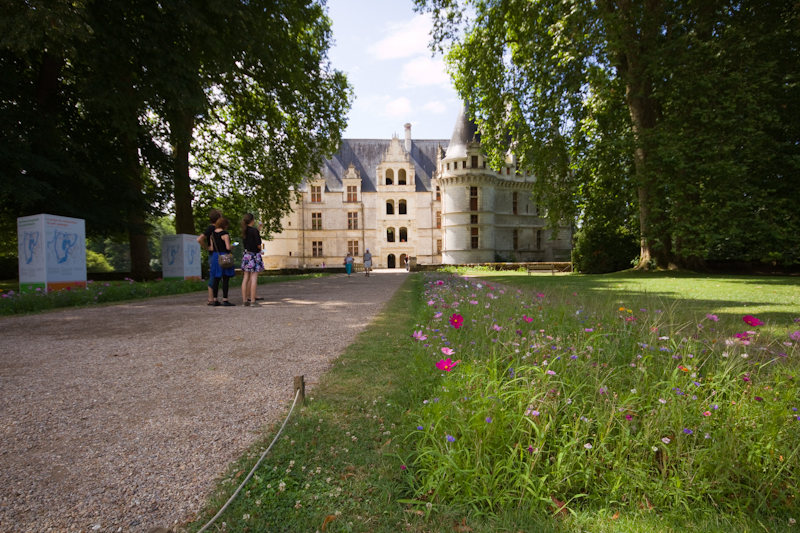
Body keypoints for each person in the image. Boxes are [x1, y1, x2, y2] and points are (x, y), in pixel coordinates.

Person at [197, 208, 222, 305]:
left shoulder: (214, 229)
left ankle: (212, 297)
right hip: (214, 255)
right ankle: (210, 298)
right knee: (213, 276)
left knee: (216, 276)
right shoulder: (212, 229)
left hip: (215, 254)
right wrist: (207, 247)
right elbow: (199, 239)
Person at [209, 217, 236, 306]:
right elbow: (228, 247)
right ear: (225, 225)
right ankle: (225, 299)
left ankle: (215, 299)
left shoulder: (212, 234)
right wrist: (232, 246)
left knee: (216, 278)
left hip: (216, 256)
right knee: (225, 278)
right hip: (224, 256)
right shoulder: (225, 234)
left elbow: (212, 248)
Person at [240, 213, 264, 307]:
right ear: (252, 221)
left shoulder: (244, 231)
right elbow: (258, 244)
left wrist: (258, 229)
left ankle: (244, 300)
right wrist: (261, 250)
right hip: (254, 256)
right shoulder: (254, 231)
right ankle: (253, 301)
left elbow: (251, 238)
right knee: (254, 277)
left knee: (246, 278)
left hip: (246, 255)